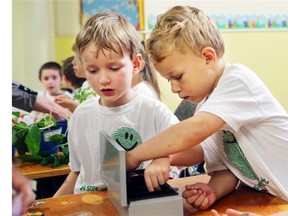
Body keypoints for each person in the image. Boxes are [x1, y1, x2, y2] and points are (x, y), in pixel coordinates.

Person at [125, 4, 288, 211]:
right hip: (273, 202)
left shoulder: (238, 82)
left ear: (208, 58)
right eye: (169, 81)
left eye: (177, 77)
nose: (174, 88)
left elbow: (192, 131)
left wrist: (135, 155)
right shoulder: (207, 105)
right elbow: (224, 165)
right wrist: (213, 189)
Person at [53, 12, 179, 197]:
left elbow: (195, 151)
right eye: (93, 70)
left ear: (136, 64)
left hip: (138, 200)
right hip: (89, 203)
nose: (103, 79)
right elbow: (78, 173)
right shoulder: (81, 115)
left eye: (114, 68)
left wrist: (164, 157)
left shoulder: (152, 111)